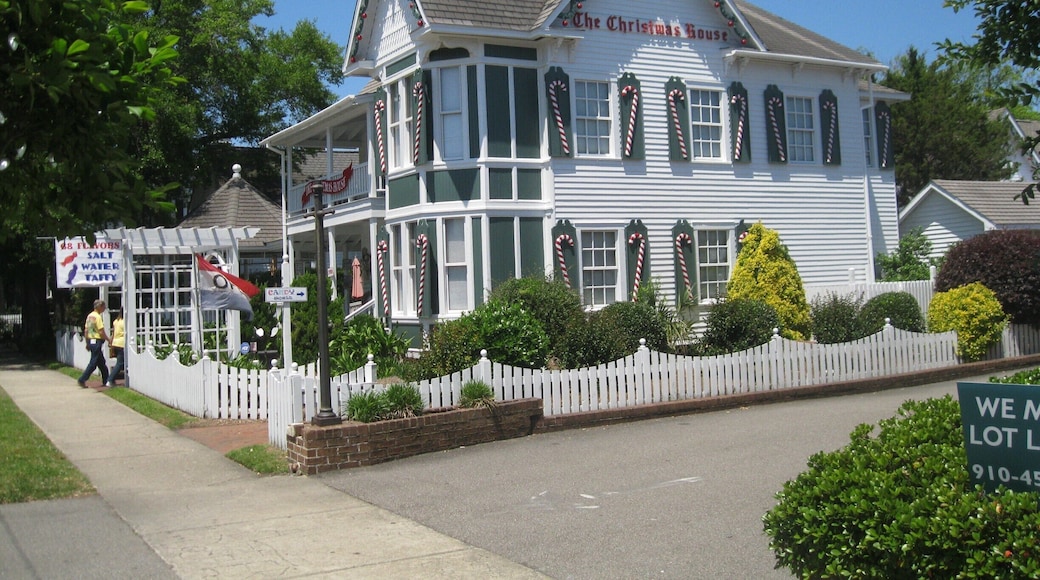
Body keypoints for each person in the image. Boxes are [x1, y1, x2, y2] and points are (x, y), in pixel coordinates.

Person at [77, 299, 111, 388]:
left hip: (91, 341)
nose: (104, 308)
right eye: (103, 307)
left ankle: (106, 380)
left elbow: (86, 331)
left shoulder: (89, 316)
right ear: (99, 307)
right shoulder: (98, 317)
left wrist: (87, 343)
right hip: (97, 341)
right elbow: (101, 331)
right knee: (93, 363)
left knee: (101, 362)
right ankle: (82, 379)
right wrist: (108, 339)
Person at [106, 309, 125, 387]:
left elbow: (113, 333)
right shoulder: (124, 322)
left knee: (120, 362)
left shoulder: (116, 321)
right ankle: (110, 379)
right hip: (121, 343)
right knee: (120, 364)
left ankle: (112, 380)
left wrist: (111, 342)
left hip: (115, 343)